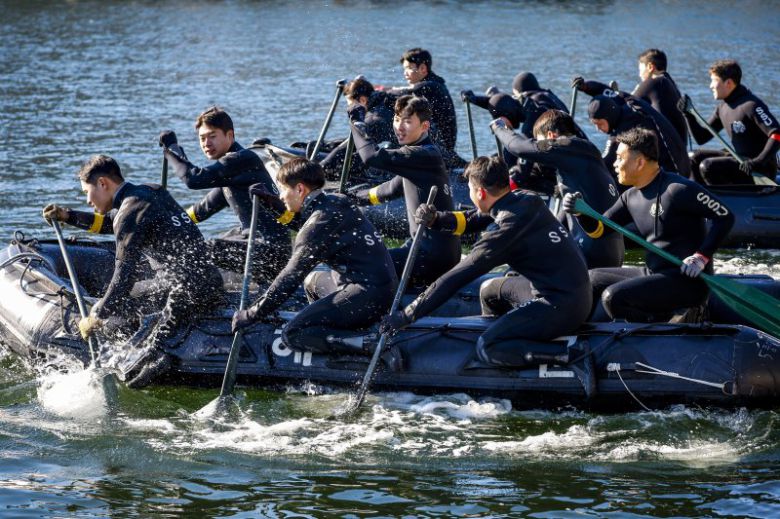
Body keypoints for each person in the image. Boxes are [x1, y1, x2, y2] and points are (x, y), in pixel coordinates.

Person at [381, 156, 592, 367]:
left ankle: (570, 355)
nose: (470, 194)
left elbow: (454, 277)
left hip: (563, 305)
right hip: (568, 290)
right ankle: (509, 336)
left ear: (480, 192)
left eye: (471, 189)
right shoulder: (524, 198)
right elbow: (473, 218)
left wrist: (406, 316)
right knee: (490, 291)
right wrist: (437, 219)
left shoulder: (503, 232)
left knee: (488, 347)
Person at [42, 155, 225, 387]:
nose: (87, 200)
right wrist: (69, 216)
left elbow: (123, 276)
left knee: (120, 307)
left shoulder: (129, 213)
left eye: (86, 191)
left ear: (102, 183)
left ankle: (160, 351)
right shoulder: (150, 191)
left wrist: (99, 314)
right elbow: (113, 222)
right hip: (209, 280)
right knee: (139, 293)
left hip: (184, 290)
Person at [231, 158, 400, 364]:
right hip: (380, 289)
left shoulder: (319, 223)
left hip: (368, 297)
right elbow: (309, 226)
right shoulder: (336, 201)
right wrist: (274, 206)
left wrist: (252, 314)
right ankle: (326, 337)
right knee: (312, 281)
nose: (281, 195)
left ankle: (369, 343)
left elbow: (290, 277)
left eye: (283, 190)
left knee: (293, 333)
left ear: (300, 189)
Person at [562, 128, 735, 322]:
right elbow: (600, 231)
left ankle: (661, 326)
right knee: (591, 278)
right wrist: (580, 213)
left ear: (640, 162)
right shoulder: (630, 197)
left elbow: (726, 217)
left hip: (686, 282)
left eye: (619, 158)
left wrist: (700, 258)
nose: (614, 164)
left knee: (614, 297)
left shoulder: (678, 189)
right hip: (654, 273)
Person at [160, 106, 291, 284]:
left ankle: (185, 290)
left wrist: (172, 148)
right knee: (203, 243)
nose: (207, 143)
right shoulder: (230, 174)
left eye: (212, 136)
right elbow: (200, 211)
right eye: (202, 138)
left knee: (203, 248)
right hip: (254, 245)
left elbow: (193, 179)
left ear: (230, 135)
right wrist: (168, 225)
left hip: (272, 254)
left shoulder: (241, 159)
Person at [348, 95, 460, 286]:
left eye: (407, 122)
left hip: (431, 256)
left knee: (359, 264)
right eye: (397, 119)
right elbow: (389, 190)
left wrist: (357, 123)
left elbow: (371, 157)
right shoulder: (418, 155)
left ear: (424, 126)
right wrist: (353, 198)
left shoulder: (422, 154)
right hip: (420, 247)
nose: (399, 127)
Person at [491, 109, 624, 268]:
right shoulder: (584, 156)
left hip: (590, 258)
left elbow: (518, 147)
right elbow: (559, 223)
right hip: (609, 258)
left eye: (539, 141)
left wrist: (500, 128)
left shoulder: (568, 146)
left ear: (551, 136)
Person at [462, 72, 584, 193]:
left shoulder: (532, 119)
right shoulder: (537, 100)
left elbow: (524, 158)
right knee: (508, 153)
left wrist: (503, 190)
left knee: (514, 157)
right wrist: (474, 99)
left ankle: (552, 194)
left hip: (564, 171)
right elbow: (503, 102)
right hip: (575, 155)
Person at [680, 59, 780, 185]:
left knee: (708, 166)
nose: (710, 86)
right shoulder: (723, 108)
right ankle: (699, 197)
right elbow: (702, 137)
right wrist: (688, 115)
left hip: (759, 169)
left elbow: (777, 134)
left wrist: (758, 162)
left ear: (728, 83)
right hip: (740, 160)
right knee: (695, 157)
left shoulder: (751, 105)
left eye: (714, 80)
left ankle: (723, 199)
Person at [574, 77, 691, 178]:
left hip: (675, 172)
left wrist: (576, 169)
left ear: (608, 117)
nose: (597, 129)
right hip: (682, 159)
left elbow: (604, 161)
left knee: (617, 171)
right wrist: (585, 86)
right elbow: (602, 90)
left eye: (599, 124)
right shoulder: (624, 100)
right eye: (594, 124)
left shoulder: (624, 128)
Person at [384, 48, 462, 168]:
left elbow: (403, 92)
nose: (405, 73)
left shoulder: (432, 86)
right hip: (436, 143)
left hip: (442, 149)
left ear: (423, 69)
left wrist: (375, 91)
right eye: (404, 68)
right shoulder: (432, 83)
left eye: (409, 68)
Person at [320, 76, 396, 183]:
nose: (349, 108)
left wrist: (322, 167)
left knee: (336, 167)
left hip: (394, 168)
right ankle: (327, 146)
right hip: (391, 151)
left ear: (363, 100)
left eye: (351, 104)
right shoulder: (383, 100)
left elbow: (350, 147)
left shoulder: (373, 119)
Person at [632, 48, 688, 143]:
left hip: (668, 150)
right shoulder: (669, 82)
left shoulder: (654, 83)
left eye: (640, 70)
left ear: (650, 67)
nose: (639, 75)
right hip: (679, 147)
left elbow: (627, 103)